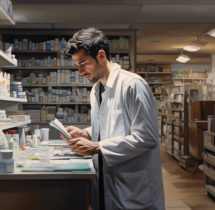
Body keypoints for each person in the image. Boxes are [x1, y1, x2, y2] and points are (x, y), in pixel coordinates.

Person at [60, 28, 165, 210]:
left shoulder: (133, 85)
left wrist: (98, 146)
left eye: (83, 63)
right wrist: (86, 133)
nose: (79, 70)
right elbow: (112, 126)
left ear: (101, 56)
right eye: (76, 64)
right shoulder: (96, 89)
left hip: (134, 188)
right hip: (105, 180)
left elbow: (147, 137)